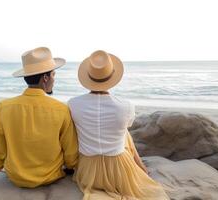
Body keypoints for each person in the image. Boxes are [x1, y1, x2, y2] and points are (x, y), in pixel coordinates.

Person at [0, 47, 78, 188]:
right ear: (45, 78)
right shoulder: (61, 109)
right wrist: (72, 167)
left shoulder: (4, 106)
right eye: (54, 75)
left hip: (15, 177)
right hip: (50, 177)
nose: (54, 80)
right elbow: (71, 153)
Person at [68, 50, 169, 200]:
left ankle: (139, 166)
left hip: (88, 170)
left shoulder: (73, 104)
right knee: (124, 133)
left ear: (88, 77)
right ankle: (141, 166)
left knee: (119, 133)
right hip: (119, 169)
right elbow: (125, 128)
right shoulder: (126, 106)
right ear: (112, 77)